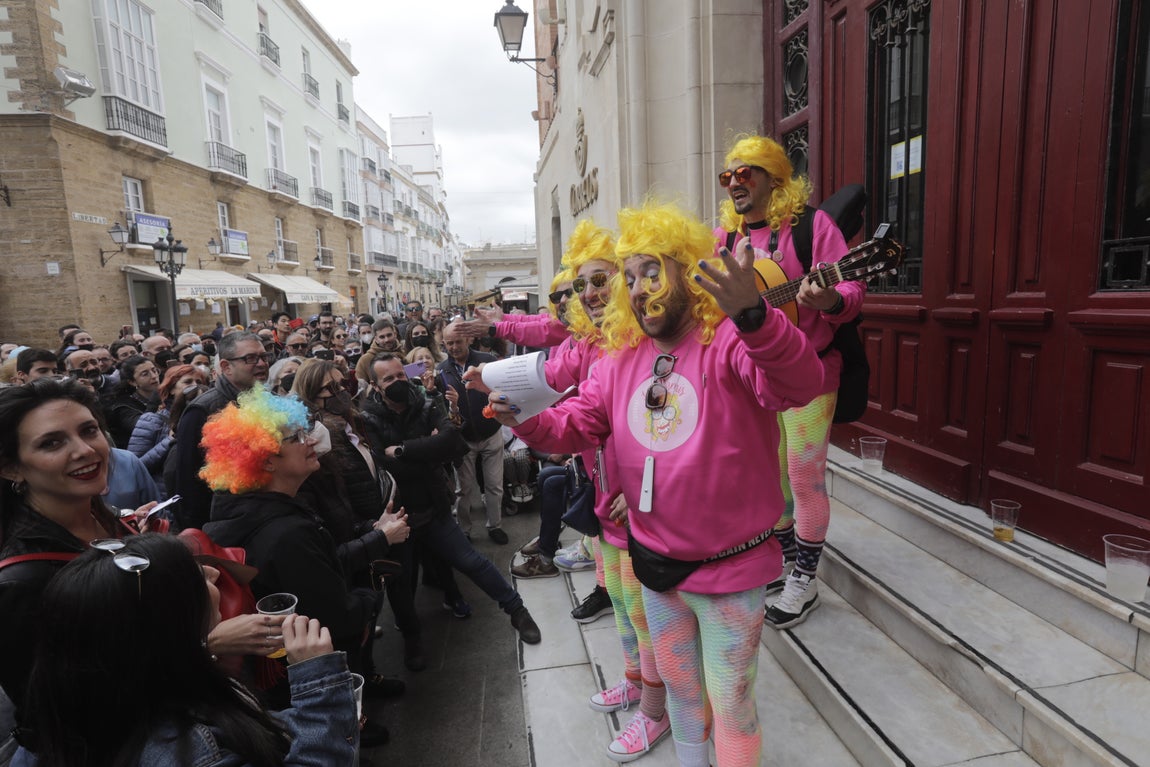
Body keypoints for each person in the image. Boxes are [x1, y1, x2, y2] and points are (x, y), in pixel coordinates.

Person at [484, 200, 824, 767]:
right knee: (684, 695)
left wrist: (755, 317)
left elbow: (800, 384)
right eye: (631, 276)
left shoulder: (730, 341)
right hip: (656, 566)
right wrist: (522, 417)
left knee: (732, 706)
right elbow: (577, 422)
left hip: (730, 570)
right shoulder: (621, 358)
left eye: (652, 272)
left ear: (687, 276)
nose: (639, 288)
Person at [11, 533, 358, 766]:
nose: (212, 572)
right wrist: (320, 694)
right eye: (197, 578)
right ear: (170, 621)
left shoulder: (76, 714)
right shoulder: (189, 751)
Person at [715, 134, 859, 628]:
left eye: (744, 173)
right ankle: (784, 561)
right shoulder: (725, 236)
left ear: (774, 178)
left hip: (811, 373)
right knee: (770, 478)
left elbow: (851, 286)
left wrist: (830, 301)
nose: (734, 183)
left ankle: (806, 577)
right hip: (753, 377)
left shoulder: (811, 226)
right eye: (728, 175)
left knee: (803, 476)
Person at [198, 387, 388, 746]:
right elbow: (336, 617)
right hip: (303, 676)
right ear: (267, 460)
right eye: (296, 437)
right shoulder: (287, 534)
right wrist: (370, 596)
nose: (310, 440)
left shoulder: (245, 510)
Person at [359, 354, 542, 644]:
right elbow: (386, 465)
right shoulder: (368, 418)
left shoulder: (426, 402)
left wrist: (404, 450)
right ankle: (413, 644)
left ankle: (517, 610)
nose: (397, 382)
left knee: (472, 562)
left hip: (434, 506)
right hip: (398, 517)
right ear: (375, 385)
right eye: (389, 379)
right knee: (401, 584)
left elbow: (452, 443)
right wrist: (429, 450)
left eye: (401, 375)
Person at [289, 359, 423, 675]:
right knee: (370, 598)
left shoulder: (351, 420)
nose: (341, 392)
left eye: (343, 384)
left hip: (382, 517)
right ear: (310, 394)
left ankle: (409, 640)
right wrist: (371, 526)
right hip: (362, 527)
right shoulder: (320, 437)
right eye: (331, 388)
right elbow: (336, 491)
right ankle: (370, 671)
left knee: (400, 583)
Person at [173, 332, 271, 530]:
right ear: (226, 367)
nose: (261, 364)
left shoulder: (270, 400)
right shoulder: (202, 410)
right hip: (227, 525)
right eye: (250, 358)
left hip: (266, 514)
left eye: (264, 356)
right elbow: (188, 482)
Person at [438, 322, 507, 544]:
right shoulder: (441, 370)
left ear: (468, 339)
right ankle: (464, 530)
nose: (454, 347)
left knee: (494, 485)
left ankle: (495, 526)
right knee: (463, 489)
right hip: (463, 439)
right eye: (449, 343)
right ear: (443, 343)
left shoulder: (487, 361)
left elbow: (503, 388)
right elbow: (440, 406)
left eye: (458, 341)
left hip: (491, 433)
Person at [127, 364, 209, 493]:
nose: (194, 386)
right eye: (188, 382)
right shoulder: (152, 420)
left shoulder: (207, 417)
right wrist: (170, 440)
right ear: (171, 389)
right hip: (165, 496)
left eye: (199, 382)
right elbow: (135, 468)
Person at [106, 355, 160, 449]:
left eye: (154, 370)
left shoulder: (166, 394)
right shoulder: (123, 407)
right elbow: (144, 429)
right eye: (145, 374)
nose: (154, 376)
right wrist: (155, 401)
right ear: (132, 382)